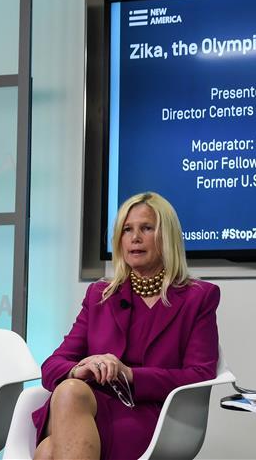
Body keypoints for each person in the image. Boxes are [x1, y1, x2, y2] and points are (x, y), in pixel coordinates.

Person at [31, 192, 220, 460]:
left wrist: (129, 374)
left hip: (151, 413)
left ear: (167, 236)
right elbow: (52, 366)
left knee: (49, 450)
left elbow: (200, 375)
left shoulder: (198, 297)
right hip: (89, 405)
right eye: (127, 230)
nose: (135, 238)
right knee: (70, 389)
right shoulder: (100, 295)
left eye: (146, 228)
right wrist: (80, 368)